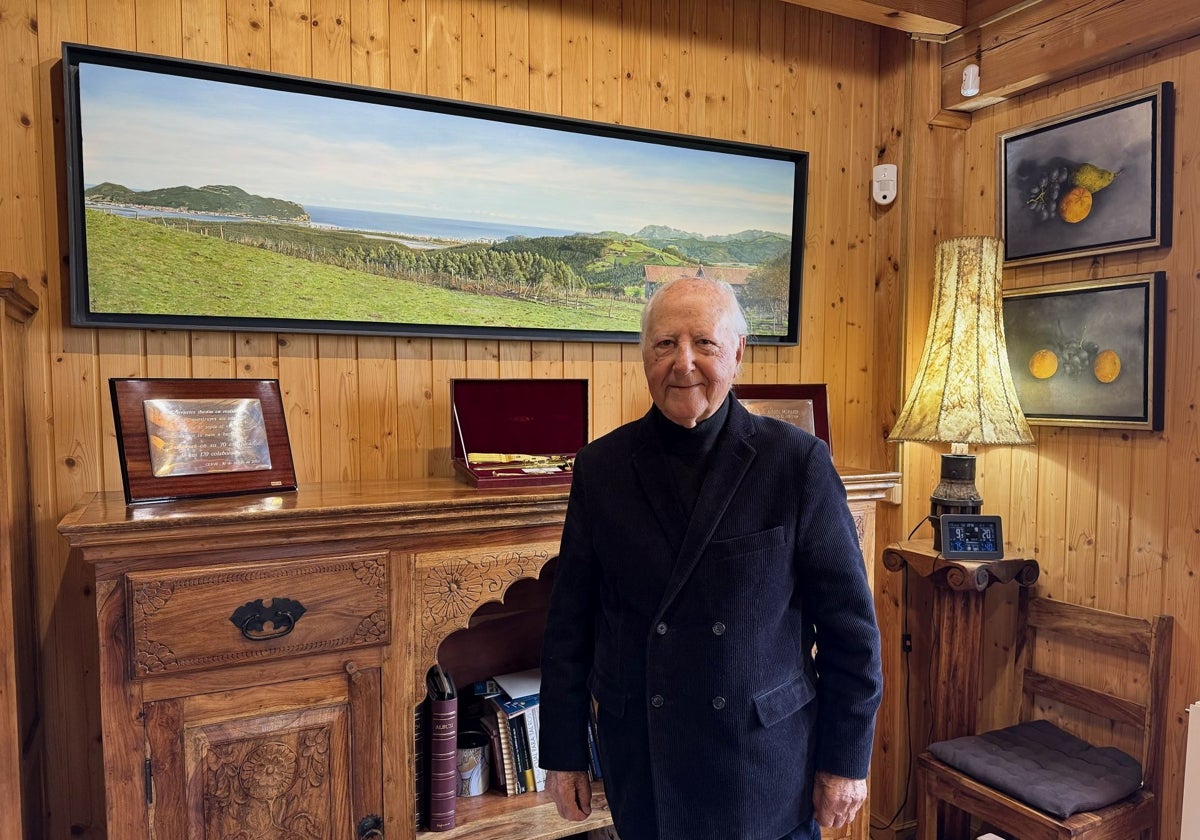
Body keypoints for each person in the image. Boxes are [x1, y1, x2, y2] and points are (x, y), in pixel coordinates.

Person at [538, 276, 883, 840]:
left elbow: (851, 630)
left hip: (763, 767)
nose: (684, 363)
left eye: (705, 343)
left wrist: (845, 761)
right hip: (646, 763)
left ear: (738, 353)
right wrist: (565, 751)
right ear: (643, 355)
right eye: (665, 344)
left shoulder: (796, 463)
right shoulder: (601, 468)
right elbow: (569, 626)